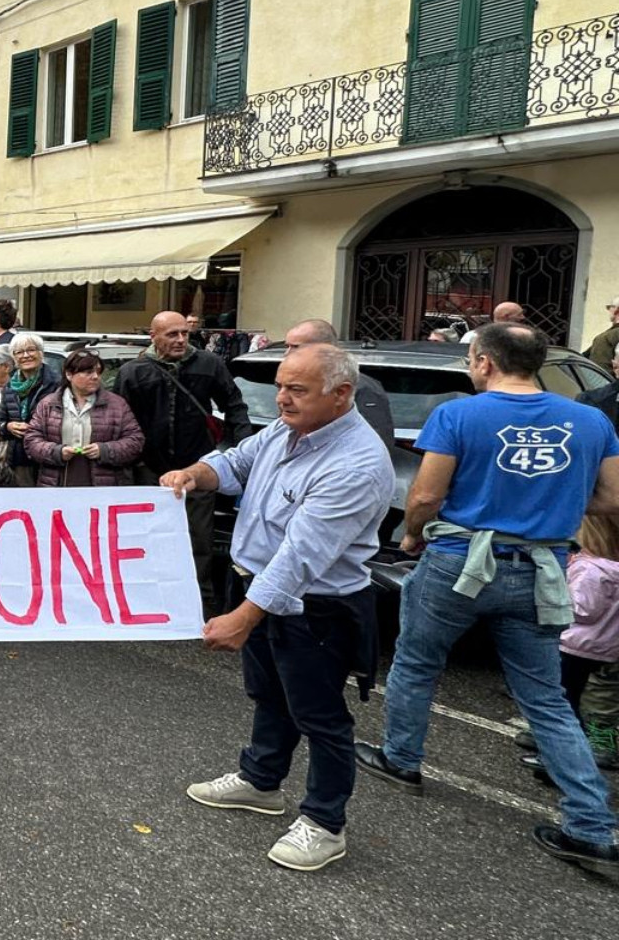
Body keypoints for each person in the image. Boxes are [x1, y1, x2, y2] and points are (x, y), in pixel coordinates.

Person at [354, 323, 619, 870]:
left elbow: (425, 494)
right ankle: (593, 827)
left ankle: (402, 758)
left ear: (482, 362)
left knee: (418, 661)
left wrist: (409, 536)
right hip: (543, 566)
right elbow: (613, 497)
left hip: (459, 560)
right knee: (544, 697)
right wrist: (550, 508)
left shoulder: (458, 415)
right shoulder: (591, 420)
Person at [171, 344, 393, 872]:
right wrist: (195, 473)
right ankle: (261, 781)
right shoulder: (283, 430)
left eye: (297, 389)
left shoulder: (356, 464)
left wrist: (245, 617)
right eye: (280, 386)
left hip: (316, 607)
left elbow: (301, 557)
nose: (282, 398)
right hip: (256, 583)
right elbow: (235, 462)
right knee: (268, 694)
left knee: (320, 716)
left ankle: (324, 822)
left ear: (341, 395)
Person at [111, 311, 252, 617]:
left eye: (184, 334)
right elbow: (120, 421)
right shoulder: (132, 372)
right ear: (154, 336)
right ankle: (148, 599)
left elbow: (234, 405)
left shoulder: (208, 364)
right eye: (171, 334)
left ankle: (198, 602)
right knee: (150, 536)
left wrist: (241, 450)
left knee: (198, 538)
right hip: (150, 468)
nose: (180, 340)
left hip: (196, 467)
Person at [551, 514, 619, 770]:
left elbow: (582, 608)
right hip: (606, 647)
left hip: (575, 645)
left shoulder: (590, 569)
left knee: (562, 696)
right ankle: (595, 742)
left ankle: (564, 749)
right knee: (597, 695)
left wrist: (557, 592)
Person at [23, 350, 145, 487]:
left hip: (105, 487)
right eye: (88, 372)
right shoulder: (48, 404)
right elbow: (31, 440)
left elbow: (135, 441)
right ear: (69, 374)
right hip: (56, 485)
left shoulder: (117, 404)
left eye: (98, 372)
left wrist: (104, 450)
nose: (95, 377)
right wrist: (57, 452)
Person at [283, 320, 395, 447]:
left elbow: (376, 441)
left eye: (295, 347)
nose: (287, 353)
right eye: (287, 346)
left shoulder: (363, 388)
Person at [0, 333, 62, 484]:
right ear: (13, 358)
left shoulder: (56, 383)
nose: (25, 355)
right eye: (19, 352)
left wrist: (35, 429)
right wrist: (8, 426)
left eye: (31, 350)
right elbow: (0, 420)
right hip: (19, 458)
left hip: (48, 457)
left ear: (41, 353)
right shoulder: (10, 386)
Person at [459, 301, 526, 343]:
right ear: (506, 317)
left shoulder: (523, 337)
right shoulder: (474, 336)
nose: (523, 317)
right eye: (519, 314)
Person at [584, 297, 619, 368]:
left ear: (616, 310)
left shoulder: (611, 335)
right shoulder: (610, 333)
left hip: (602, 377)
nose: (608, 310)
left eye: (610, 307)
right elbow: (585, 355)